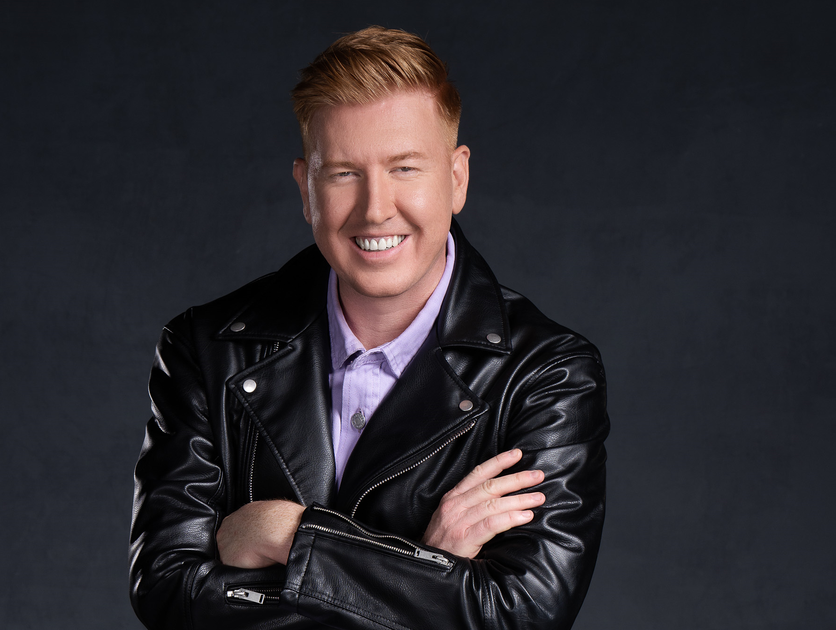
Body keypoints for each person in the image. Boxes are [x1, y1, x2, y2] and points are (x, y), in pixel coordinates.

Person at [130, 26, 609, 630]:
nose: (376, 208)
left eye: (405, 168)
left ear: (457, 178)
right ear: (306, 189)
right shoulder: (203, 349)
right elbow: (167, 592)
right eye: (342, 174)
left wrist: (286, 534)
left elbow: (521, 616)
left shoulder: (546, 374)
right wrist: (426, 565)